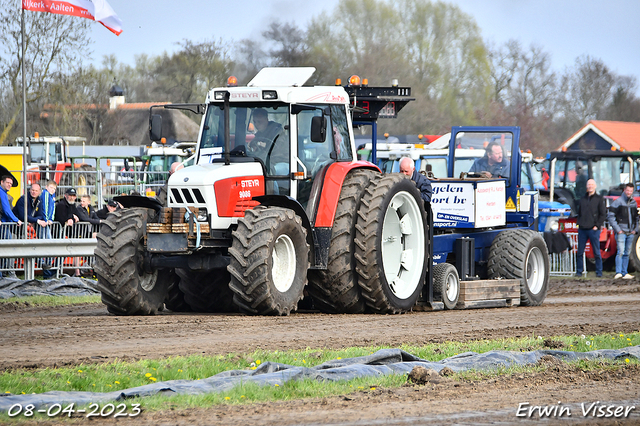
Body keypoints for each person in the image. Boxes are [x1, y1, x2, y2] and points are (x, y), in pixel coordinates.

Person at [576, 179, 606, 278]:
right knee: (580, 252)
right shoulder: (582, 199)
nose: (590, 186)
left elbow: (603, 214)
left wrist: (596, 226)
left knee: (597, 252)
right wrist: (579, 224)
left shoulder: (599, 199)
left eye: (592, 184)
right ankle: (579, 272)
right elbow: (579, 212)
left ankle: (599, 272)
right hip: (582, 229)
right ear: (586, 186)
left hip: (593, 230)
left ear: (595, 186)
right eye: (589, 185)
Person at [608, 183, 638, 279]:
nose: (629, 192)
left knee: (627, 253)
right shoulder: (618, 202)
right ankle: (618, 272)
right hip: (622, 232)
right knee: (620, 252)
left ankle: (625, 273)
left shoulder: (634, 203)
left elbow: (637, 218)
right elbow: (610, 216)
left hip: (631, 232)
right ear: (624, 190)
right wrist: (618, 230)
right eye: (628, 190)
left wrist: (635, 230)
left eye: (631, 191)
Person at [0, 175, 21, 279]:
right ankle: (8, 273)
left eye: (11, 184)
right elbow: (6, 209)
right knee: (8, 248)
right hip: (3, 225)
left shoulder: (4, 193)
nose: (9, 185)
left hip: (4, 224)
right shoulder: (1, 193)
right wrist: (16, 220)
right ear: (1, 182)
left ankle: (3, 273)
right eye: (8, 183)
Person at [39, 180, 57, 279]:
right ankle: (44, 266)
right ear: (46, 187)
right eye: (51, 188)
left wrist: (51, 219)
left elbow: (52, 208)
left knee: (49, 244)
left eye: (54, 189)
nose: (52, 190)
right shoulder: (45, 194)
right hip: (44, 223)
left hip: (48, 223)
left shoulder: (52, 197)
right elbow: (44, 207)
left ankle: (47, 268)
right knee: (47, 243)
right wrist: (46, 219)